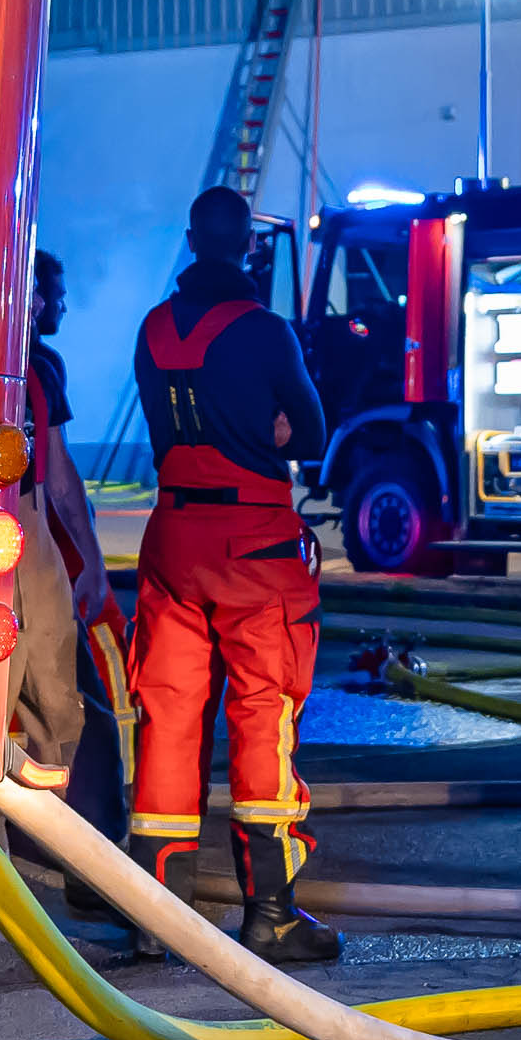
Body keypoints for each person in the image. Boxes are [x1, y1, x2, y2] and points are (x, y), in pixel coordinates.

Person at [126, 186, 338, 964]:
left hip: (173, 538)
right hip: (254, 545)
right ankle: (271, 913)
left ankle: (156, 917)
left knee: (169, 719)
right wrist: (266, 426)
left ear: (190, 240)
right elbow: (308, 431)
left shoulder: (152, 329)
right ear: (249, 245)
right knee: (262, 715)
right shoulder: (265, 332)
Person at [25, 250, 129, 844]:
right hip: (26, 543)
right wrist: (91, 565)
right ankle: (90, 849)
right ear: (30, 296)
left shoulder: (16, 363)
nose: (60, 304)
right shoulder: (40, 365)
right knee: (70, 701)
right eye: (53, 293)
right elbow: (60, 480)